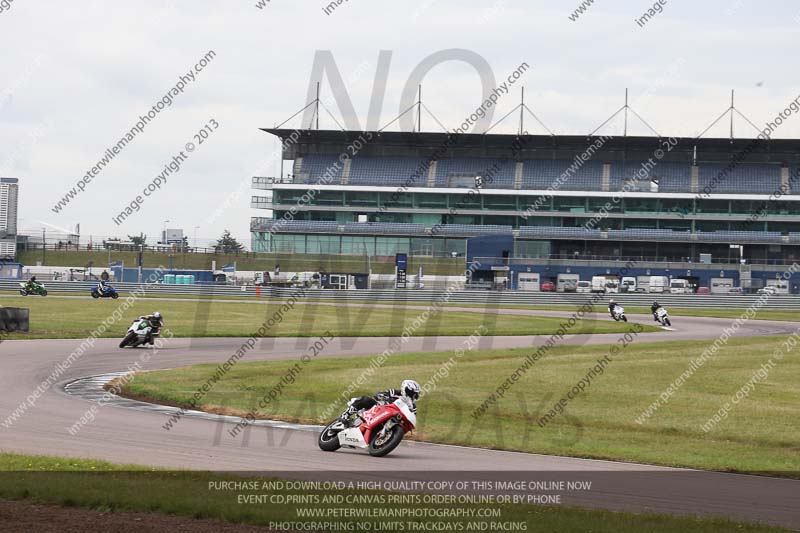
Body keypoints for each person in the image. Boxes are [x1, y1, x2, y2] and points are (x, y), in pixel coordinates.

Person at [340, 379, 421, 425]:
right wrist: (382, 396)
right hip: (378, 409)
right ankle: (346, 414)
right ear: (405, 389)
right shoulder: (395, 392)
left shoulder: (413, 407)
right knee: (366, 399)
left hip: (390, 419)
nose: (412, 396)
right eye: (411, 393)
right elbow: (378, 394)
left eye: (415, 395)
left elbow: (410, 418)